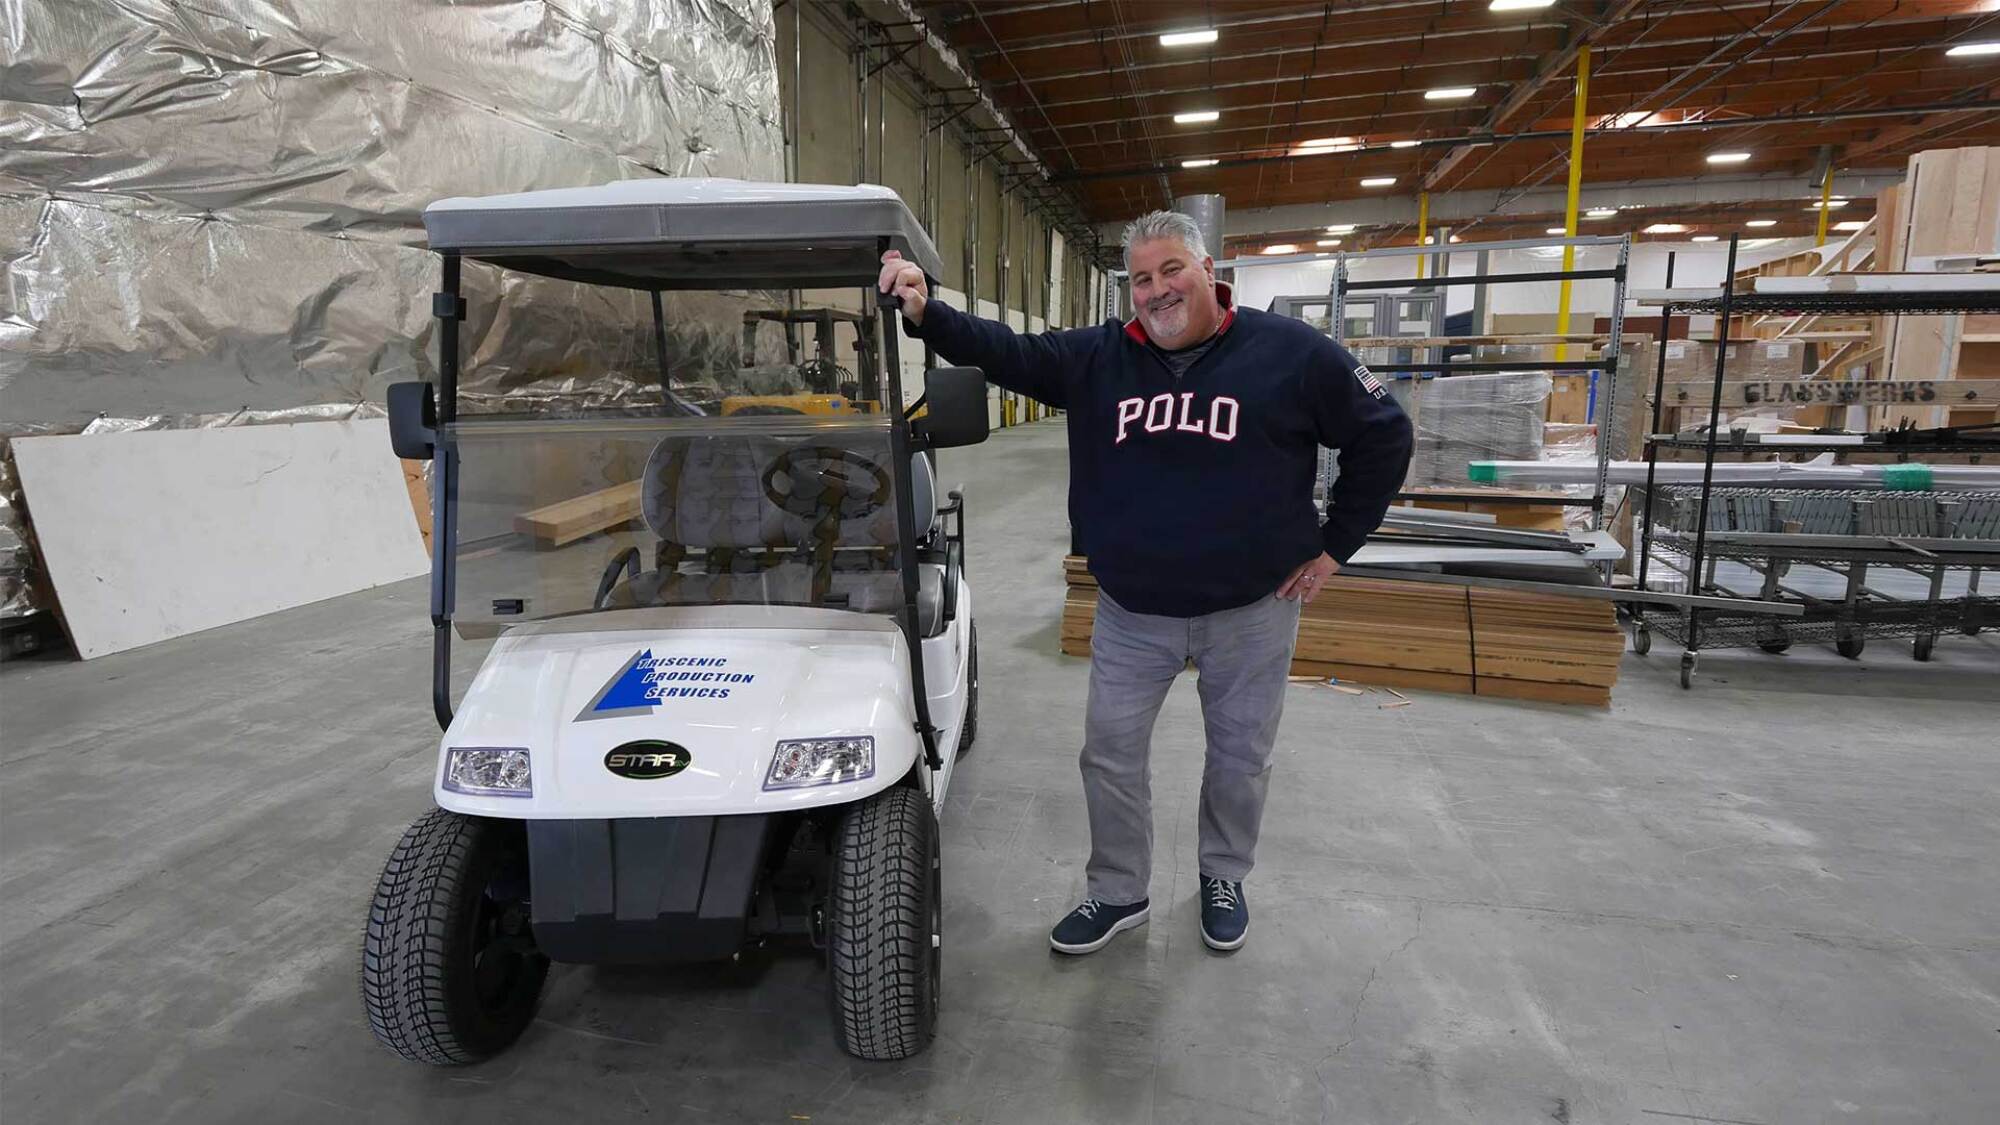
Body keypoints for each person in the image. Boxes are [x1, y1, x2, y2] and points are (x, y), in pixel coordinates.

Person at [878, 210, 1413, 955]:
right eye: (1140, 278)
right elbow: (1005, 351)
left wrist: (1334, 547)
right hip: (1133, 612)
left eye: (1171, 271)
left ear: (1208, 269)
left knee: (1240, 756)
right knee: (1110, 754)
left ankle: (1223, 874)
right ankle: (1119, 890)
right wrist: (925, 308)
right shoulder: (1099, 356)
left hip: (1251, 610)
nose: (1157, 291)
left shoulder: (1290, 352)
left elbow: (1385, 430)